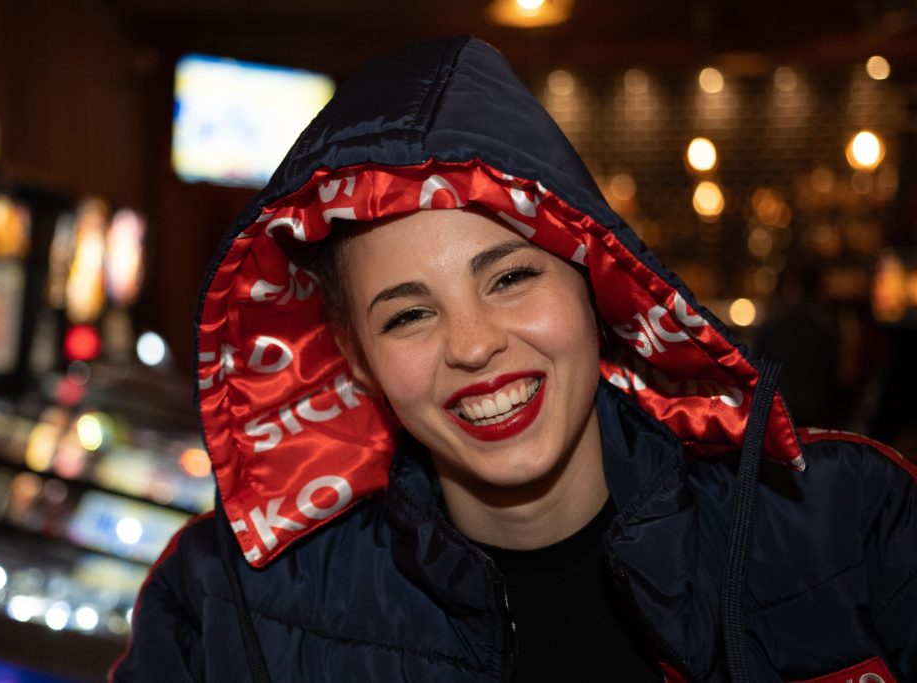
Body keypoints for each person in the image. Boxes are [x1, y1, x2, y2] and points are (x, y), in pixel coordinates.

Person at [111, 37, 917, 682]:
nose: (472, 343)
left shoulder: (850, 522)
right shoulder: (224, 606)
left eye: (511, 275)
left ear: (597, 283)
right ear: (357, 356)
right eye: (410, 313)